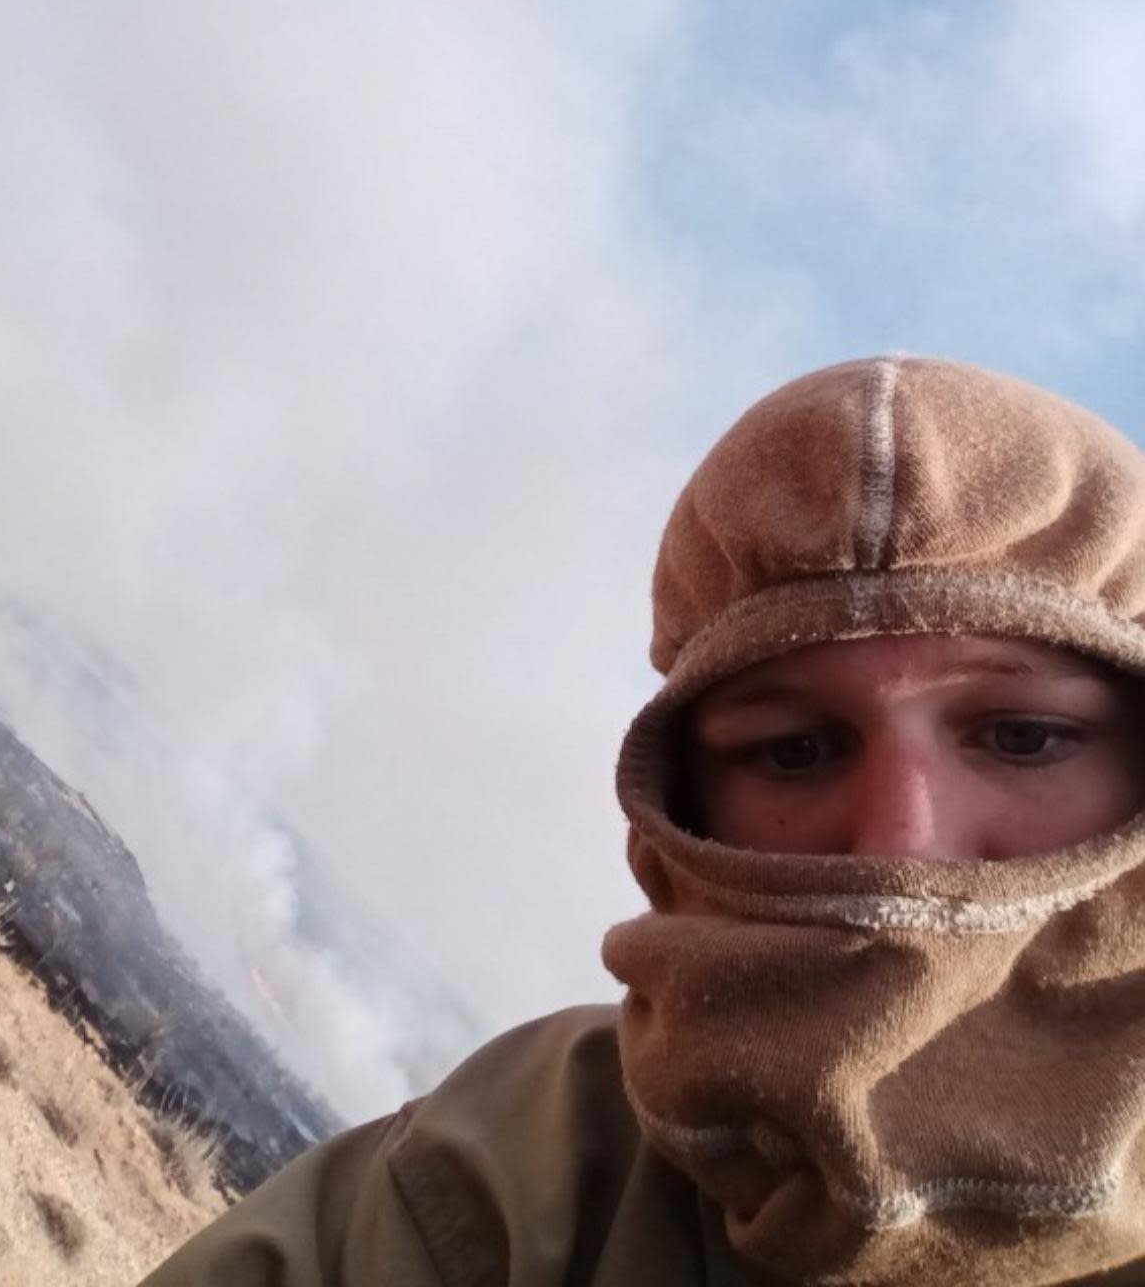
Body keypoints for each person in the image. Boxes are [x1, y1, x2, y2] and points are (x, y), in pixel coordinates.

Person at [141, 354, 1145, 1287]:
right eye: (792, 749)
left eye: (1021, 736)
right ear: (681, 818)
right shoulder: (528, 1162)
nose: (897, 841)